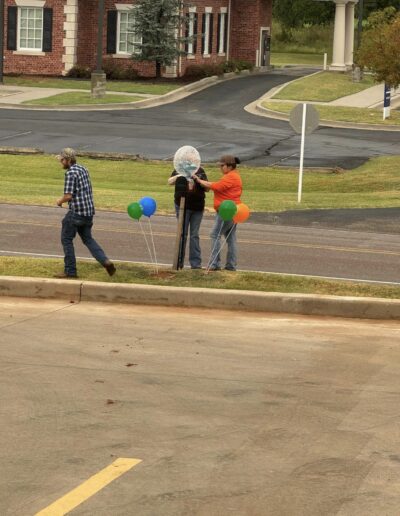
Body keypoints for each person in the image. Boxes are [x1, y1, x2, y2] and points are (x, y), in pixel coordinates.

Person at [55, 148, 116, 279]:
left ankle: (70, 271)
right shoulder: (83, 169)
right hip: (88, 212)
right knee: (88, 239)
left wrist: (59, 201)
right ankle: (105, 261)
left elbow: (68, 196)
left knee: (66, 239)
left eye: (62, 160)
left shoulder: (70, 173)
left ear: (68, 160)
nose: (61, 162)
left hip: (76, 212)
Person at [194, 155, 242, 271]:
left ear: (229, 166)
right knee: (231, 238)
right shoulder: (232, 176)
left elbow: (216, 186)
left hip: (226, 210)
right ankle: (231, 265)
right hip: (234, 209)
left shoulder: (231, 177)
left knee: (215, 234)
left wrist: (199, 181)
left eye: (222, 165)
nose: (220, 168)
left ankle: (214, 264)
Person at [168, 166, 208, 269]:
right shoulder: (179, 168)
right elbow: (170, 181)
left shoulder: (200, 170)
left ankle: (196, 264)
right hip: (182, 206)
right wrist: (181, 175)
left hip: (197, 207)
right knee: (182, 234)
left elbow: (207, 188)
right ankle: (179, 263)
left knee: (194, 235)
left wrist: (197, 179)